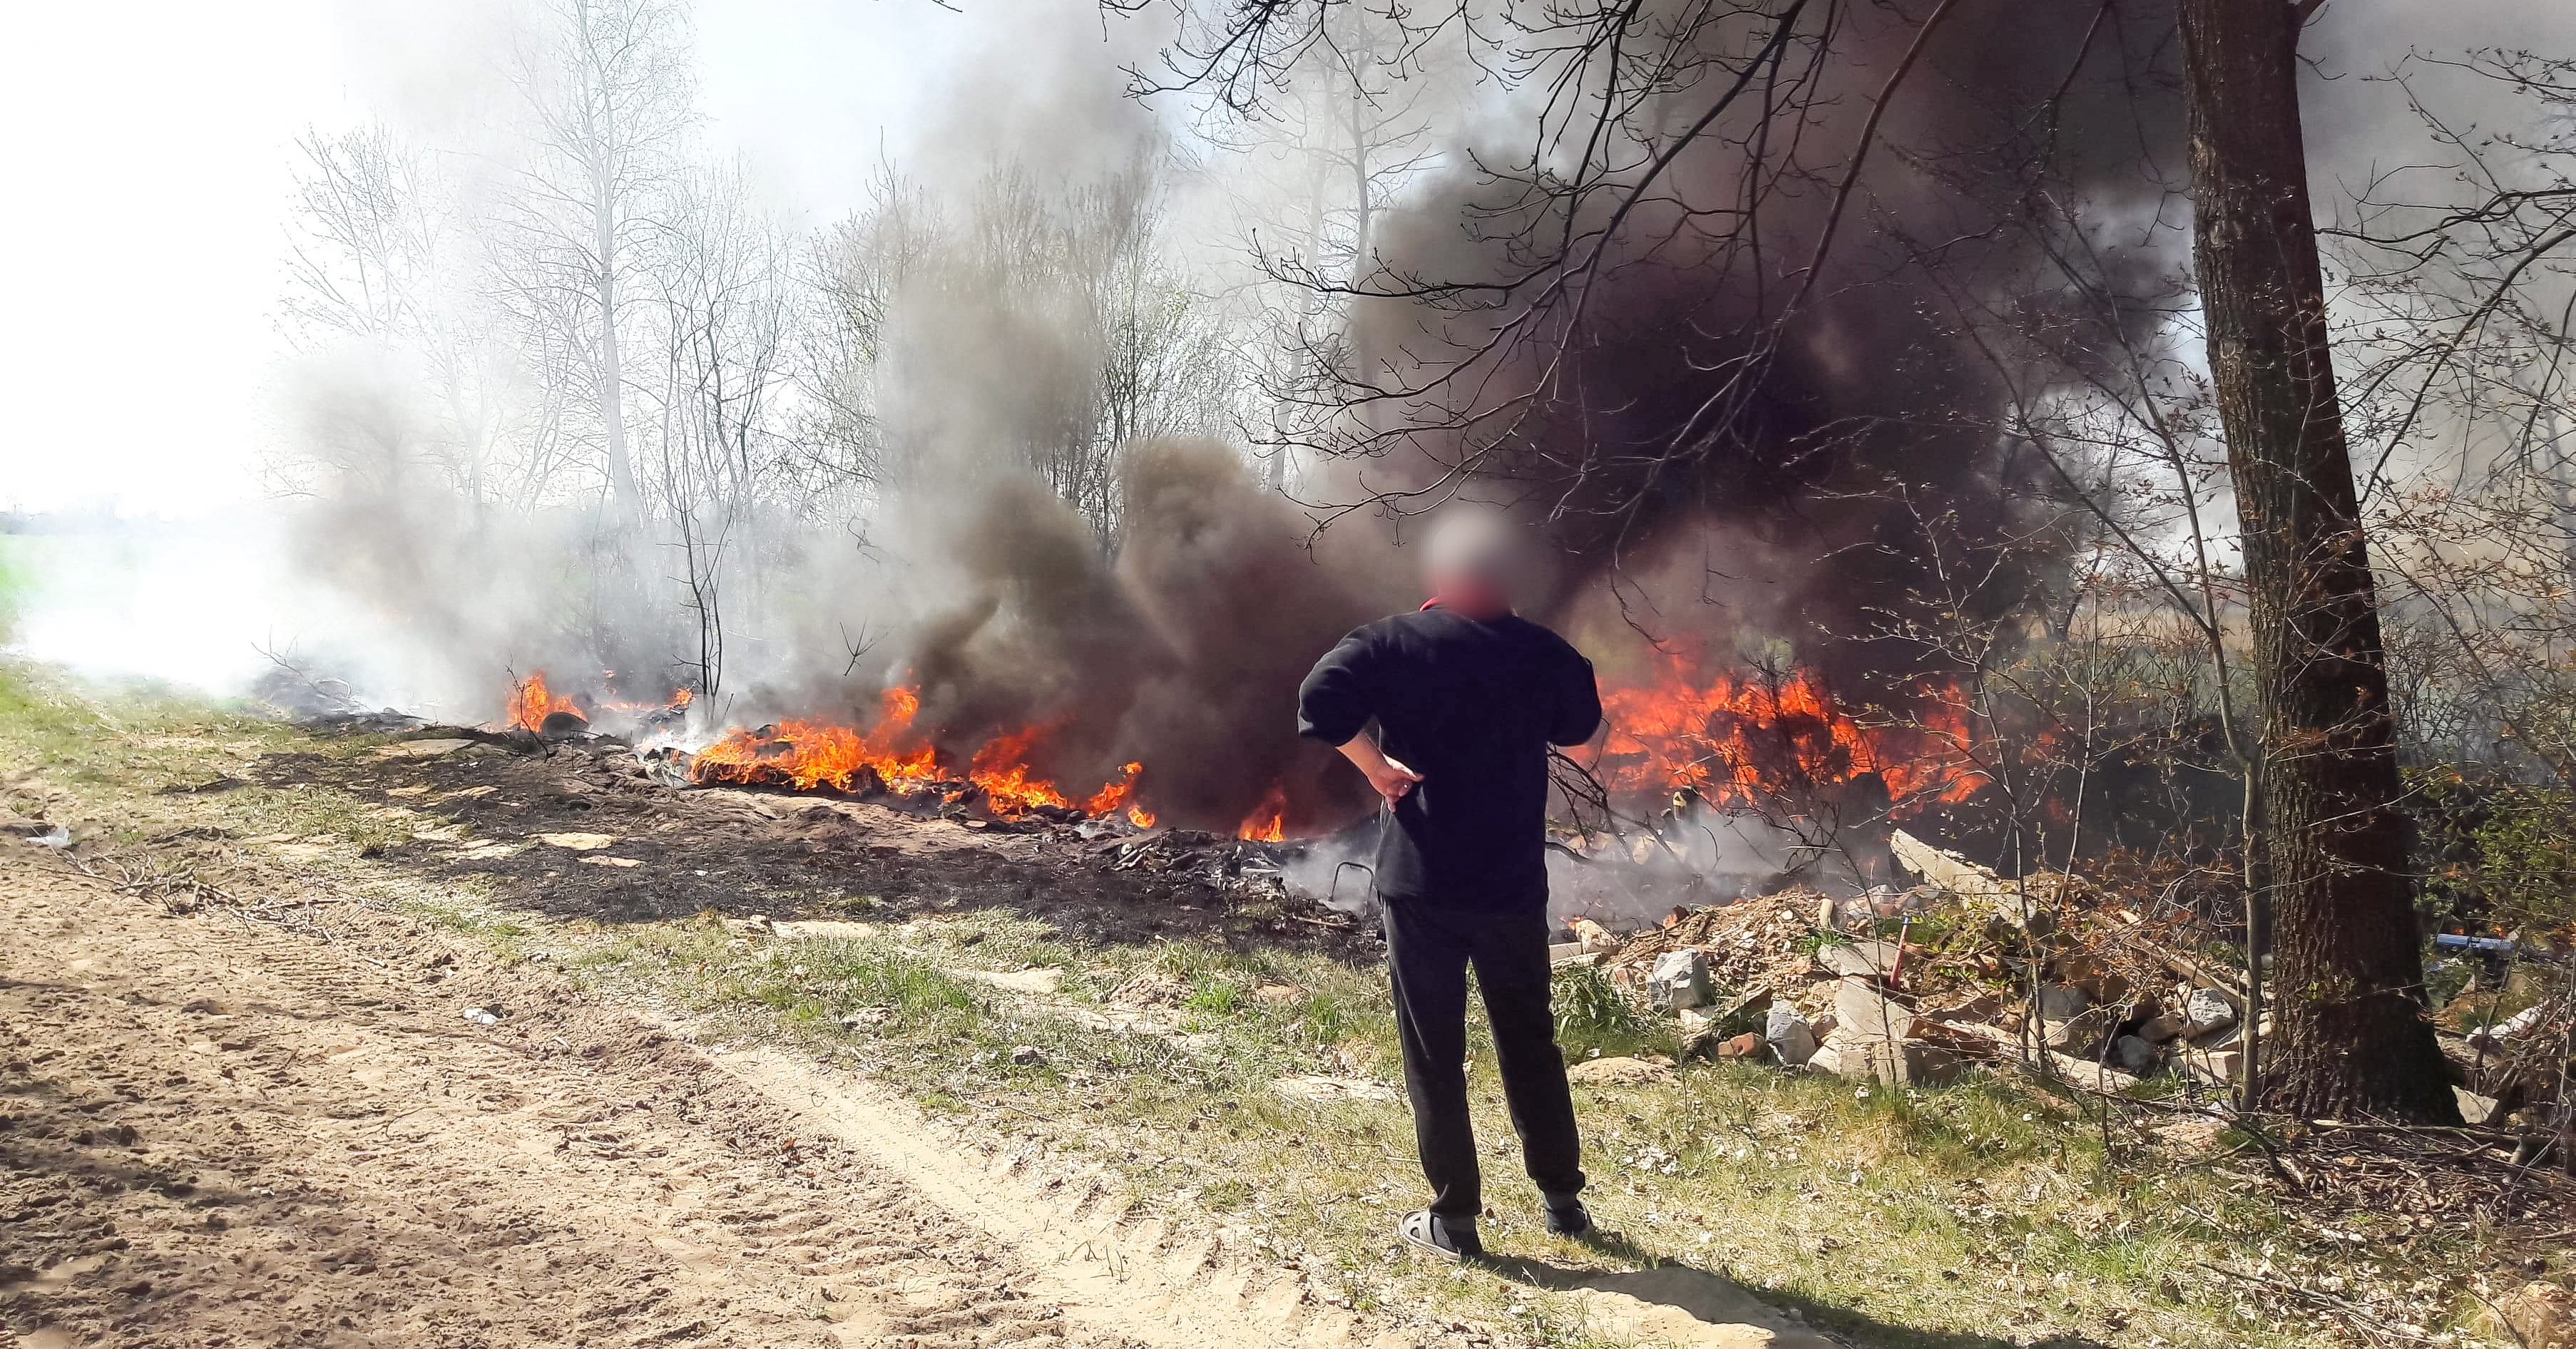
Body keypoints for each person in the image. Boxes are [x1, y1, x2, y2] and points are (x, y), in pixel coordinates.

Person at [1294, 511, 1604, 1260]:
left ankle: (1454, 1216)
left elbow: (1318, 698)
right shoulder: (1545, 653)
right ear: (1508, 578)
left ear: (1440, 576)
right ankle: (1563, 1200)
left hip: (1420, 881)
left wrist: (1376, 765)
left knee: (1434, 1046)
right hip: (1510, 882)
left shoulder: (1389, 641)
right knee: (1530, 1037)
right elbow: (1583, 735)